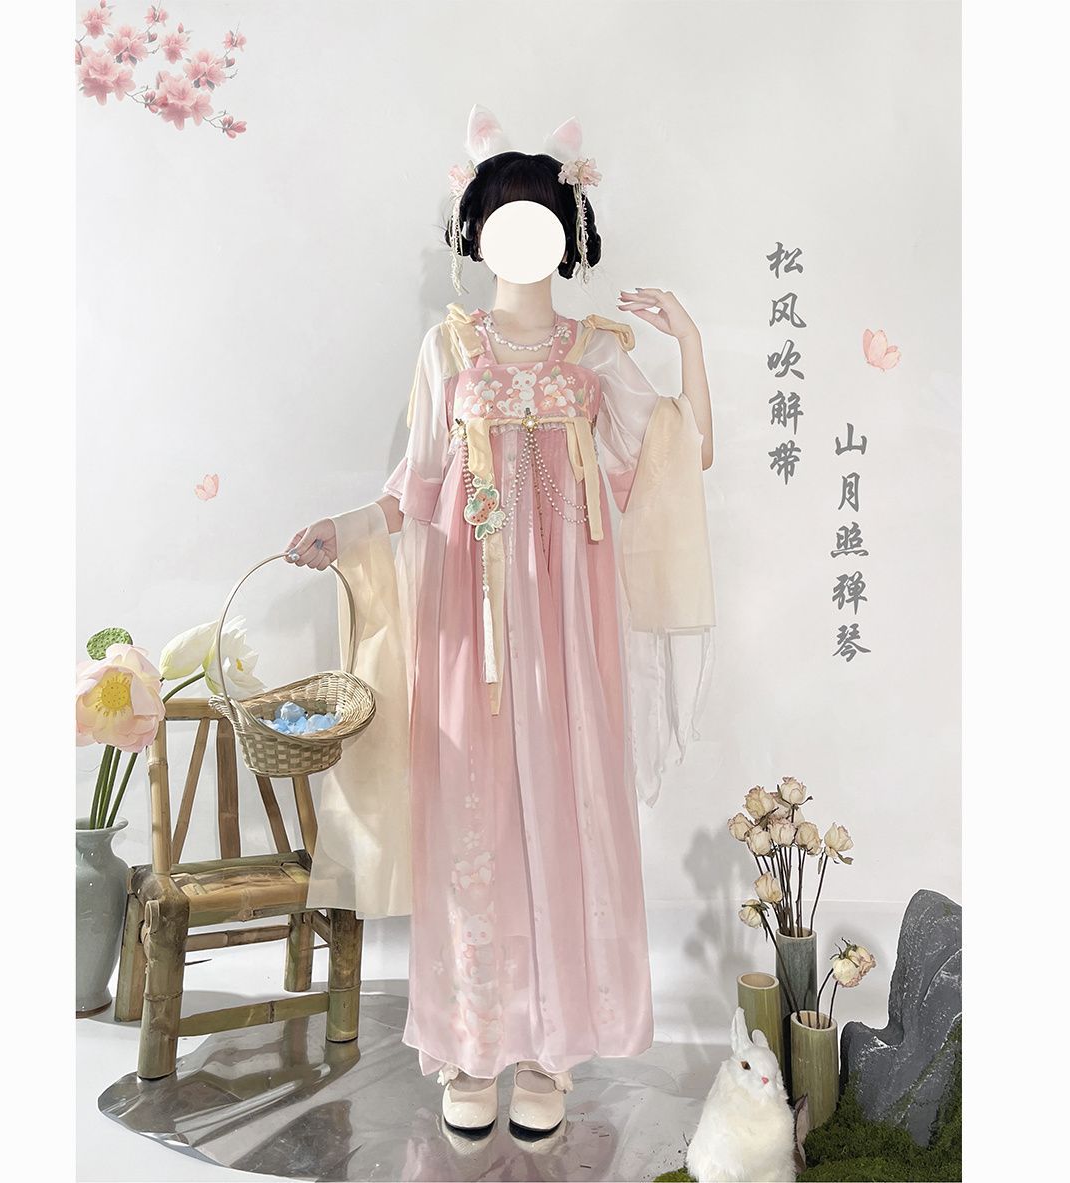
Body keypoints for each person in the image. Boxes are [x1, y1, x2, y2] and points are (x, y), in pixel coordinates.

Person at [284, 109, 716, 1135]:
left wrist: (691, 342)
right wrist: (344, 530)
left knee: (562, 810)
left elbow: (679, 455)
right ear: (473, 235)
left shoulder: (597, 351)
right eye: (499, 221)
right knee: (473, 818)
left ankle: (551, 1048)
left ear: (567, 233)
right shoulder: (449, 347)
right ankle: (473, 1043)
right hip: (468, 623)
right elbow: (414, 485)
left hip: (568, 622)